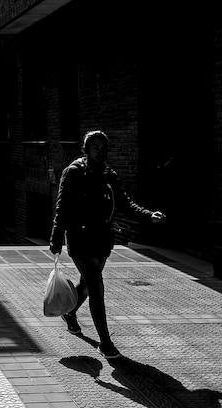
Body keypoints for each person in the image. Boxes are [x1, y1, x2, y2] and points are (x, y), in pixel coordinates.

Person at [49, 130, 166, 360]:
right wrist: (56, 237)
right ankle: (105, 343)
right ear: (86, 149)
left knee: (86, 284)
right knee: (96, 288)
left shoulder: (108, 174)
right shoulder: (72, 173)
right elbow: (62, 207)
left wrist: (147, 215)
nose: (100, 151)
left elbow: (124, 202)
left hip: (102, 240)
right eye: (95, 147)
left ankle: (70, 313)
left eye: (103, 147)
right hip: (80, 239)